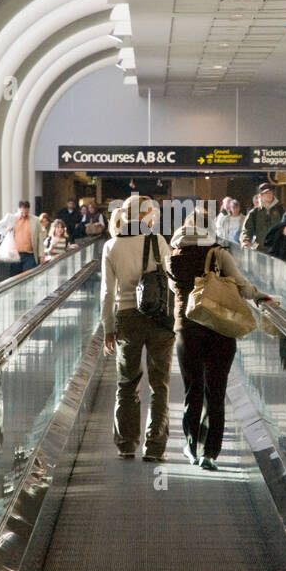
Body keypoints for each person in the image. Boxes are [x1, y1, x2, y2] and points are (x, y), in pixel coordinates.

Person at [168, 209, 273, 471]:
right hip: (219, 328)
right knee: (216, 392)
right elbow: (240, 285)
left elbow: (173, 288)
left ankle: (191, 446)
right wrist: (260, 296)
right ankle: (210, 453)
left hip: (187, 328)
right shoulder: (218, 253)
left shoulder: (173, 254)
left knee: (193, 389)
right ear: (209, 228)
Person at [101, 194, 174, 462]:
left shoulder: (112, 246)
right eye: (153, 212)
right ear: (145, 216)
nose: (156, 217)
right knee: (160, 384)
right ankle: (155, 447)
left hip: (127, 317)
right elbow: (172, 281)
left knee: (127, 382)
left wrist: (108, 328)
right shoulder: (159, 241)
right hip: (159, 320)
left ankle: (126, 444)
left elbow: (107, 294)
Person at [0, 199, 46, 274]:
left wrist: (41, 255)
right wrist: (7, 230)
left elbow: (40, 239)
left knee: (29, 276)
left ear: (29, 210)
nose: (24, 214)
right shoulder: (11, 218)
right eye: (22, 212)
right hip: (15, 254)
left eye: (26, 212)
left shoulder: (35, 220)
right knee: (15, 277)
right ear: (18, 209)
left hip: (30, 255)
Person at [240, 182, 283, 250]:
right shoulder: (254, 213)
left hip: (276, 249)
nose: (269, 195)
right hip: (260, 250)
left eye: (270, 192)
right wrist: (245, 240)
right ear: (260, 195)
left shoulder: (280, 210)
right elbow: (247, 229)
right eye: (266, 193)